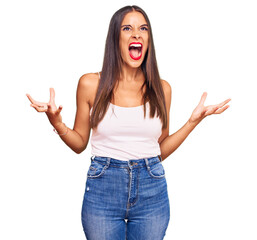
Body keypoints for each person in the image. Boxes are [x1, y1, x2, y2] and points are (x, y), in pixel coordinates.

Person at [26, 5, 230, 240]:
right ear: (116, 38)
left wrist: (192, 122)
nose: (136, 34)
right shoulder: (90, 84)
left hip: (151, 190)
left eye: (143, 28)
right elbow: (80, 144)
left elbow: (159, 150)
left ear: (148, 39)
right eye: (127, 28)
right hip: (103, 188)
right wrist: (57, 122)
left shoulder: (162, 89)